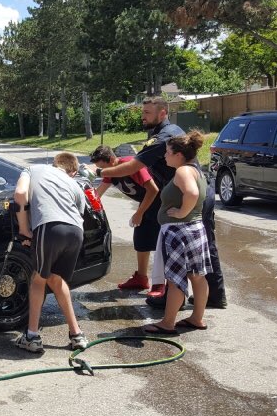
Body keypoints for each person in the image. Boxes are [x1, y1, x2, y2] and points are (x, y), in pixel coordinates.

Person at [92, 97, 227, 309]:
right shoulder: (161, 133)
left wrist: (100, 171)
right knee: (196, 248)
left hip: (189, 197)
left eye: (147, 112)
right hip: (190, 195)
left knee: (183, 250)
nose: (142, 116)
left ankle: (182, 299)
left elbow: (132, 167)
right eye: (143, 111)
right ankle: (211, 296)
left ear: (162, 113)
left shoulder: (165, 136)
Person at [12, 152, 88, 353]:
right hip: (76, 232)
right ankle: (76, 335)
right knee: (56, 279)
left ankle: (32, 335)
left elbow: (20, 194)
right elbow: (80, 212)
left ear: (55, 163)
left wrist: (23, 229)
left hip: (49, 226)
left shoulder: (33, 169)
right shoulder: (75, 185)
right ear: (73, 171)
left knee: (38, 279)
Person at [141, 131, 212, 335]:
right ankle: (197, 318)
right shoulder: (196, 170)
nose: (165, 156)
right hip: (195, 229)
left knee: (175, 279)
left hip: (180, 232)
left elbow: (192, 193)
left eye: (168, 152)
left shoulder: (183, 172)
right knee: (197, 276)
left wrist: (181, 212)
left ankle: (168, 323)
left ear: (179, 155)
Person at [89, 145, 160, 294]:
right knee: (141, 239)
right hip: (147, 204)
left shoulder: (130, 164)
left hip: (160, 203)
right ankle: (141, 278)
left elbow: (153, 190)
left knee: (161, 243)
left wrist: (139, 213)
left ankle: (162, 284)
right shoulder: (112, 172)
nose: (104, 172)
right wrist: (84, 206)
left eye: (103, 168)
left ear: (112, 160)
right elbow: (98, 193)